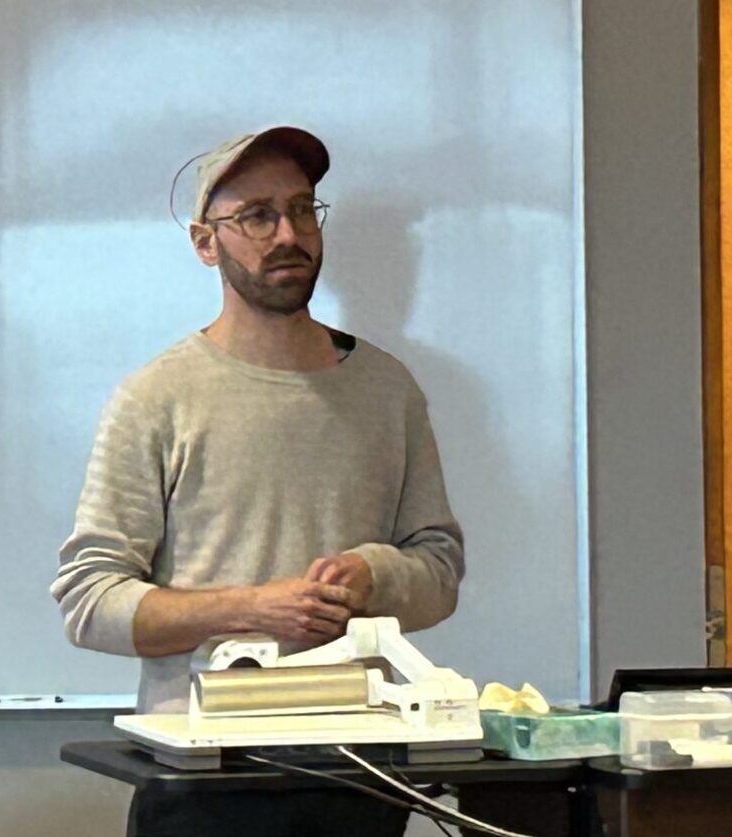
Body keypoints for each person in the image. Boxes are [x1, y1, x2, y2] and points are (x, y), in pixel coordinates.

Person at [51, 126, 464, 837]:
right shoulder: (156, 398)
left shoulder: (388, 389)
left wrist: (373, 574)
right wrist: (252, 606)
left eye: (303, 210)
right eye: (256, 216)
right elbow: (91, 601)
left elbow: (439, 568)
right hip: (204, 779)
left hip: (357, 772)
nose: (287, 234)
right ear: (205, 242)